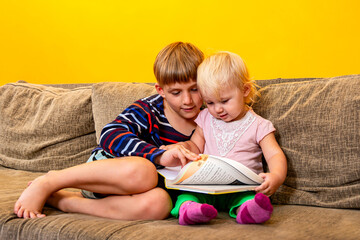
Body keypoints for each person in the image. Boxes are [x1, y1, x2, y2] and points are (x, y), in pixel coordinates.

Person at [13, 41, 204, 220]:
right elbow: (110, 134)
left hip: (139, 191)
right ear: (160, 90)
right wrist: (158, 155)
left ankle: (67, 202)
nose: (187, 100)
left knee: (160, 204)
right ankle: (52, 180)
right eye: (176, 93)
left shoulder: (210, 116)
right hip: (109, 174)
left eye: (195, 89)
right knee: (144, 171)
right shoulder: (149, 109)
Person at [164, 51, 287, 225]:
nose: (218, 109)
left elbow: (274, 155)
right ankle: (192, 211)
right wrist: (181, 148)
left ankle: (249, 211)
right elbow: (195, 145)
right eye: (211, 102)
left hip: (241, 188)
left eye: (224, 101)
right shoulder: (206, 118)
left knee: (249, 199)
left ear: (245, 90)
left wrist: (276, 176)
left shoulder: (259, 125)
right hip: (205, 187)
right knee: (186, 195)